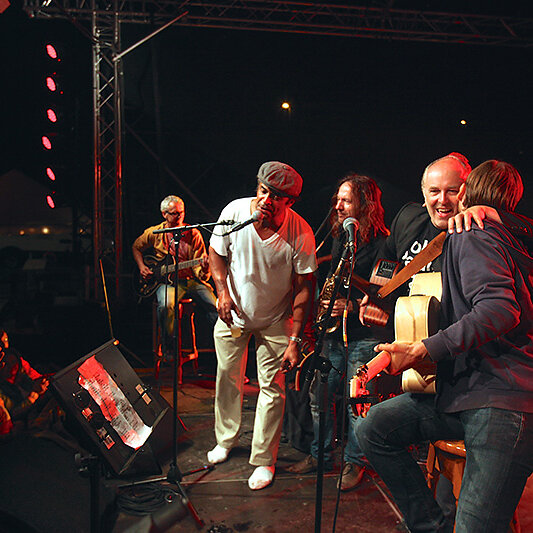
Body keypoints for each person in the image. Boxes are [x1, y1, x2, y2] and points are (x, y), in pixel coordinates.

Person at [356, 160, 533, 533]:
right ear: (422, 195)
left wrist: (423, 350)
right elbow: (390, 267)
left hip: (498, 399)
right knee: (375, 427)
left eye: (452, 191)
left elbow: (499, 310)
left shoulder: (472, 233)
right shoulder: (493, 234)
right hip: (463, 391)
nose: (443, 199)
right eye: (434, 191)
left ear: (466, 191)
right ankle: (431, 526)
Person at [206, 161, 317, 490]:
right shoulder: (235, 212)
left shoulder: (301, 232)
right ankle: (225, 439)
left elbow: (305, 287)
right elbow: (216, 253)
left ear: (290, 202)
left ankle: (264, 459)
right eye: (263, 191)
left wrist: (295, 339)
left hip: (274, 319)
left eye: (277, 197)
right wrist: (222, 292)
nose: (266, 200)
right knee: (227, 377)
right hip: (233, 314)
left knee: (272, 388)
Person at [287, 174, 390, 491]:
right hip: (332, 334)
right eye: (338, 199)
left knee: (357, 403)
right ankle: (320, 456)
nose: (339, 205)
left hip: (364, 336)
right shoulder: (340, 236)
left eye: (346, 200)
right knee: (320, 398)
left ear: (365, 204)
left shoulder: (384, 243)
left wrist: (352, 305)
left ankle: (355, 462)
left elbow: (384, 294)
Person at [132, 195, 218, 355]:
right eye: (174, 213)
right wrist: (142, 267)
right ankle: (169, 348)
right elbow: (136, 247)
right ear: (164, 214)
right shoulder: (156, 232)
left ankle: (222, 345)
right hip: (165, 282)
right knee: (166, 305)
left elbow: (201, 273)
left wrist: (205, 268)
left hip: (190, 281)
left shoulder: (193, 234)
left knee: (215, 306)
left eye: (181, 212)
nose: (179, 216)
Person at [0, 328, 49, 435]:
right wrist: (34, 396)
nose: (4, 346)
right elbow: (11, 415)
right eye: (7, 365)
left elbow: (39, 379)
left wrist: (44, 383)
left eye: (6, 340)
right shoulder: (3, 390)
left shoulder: (18, 362)